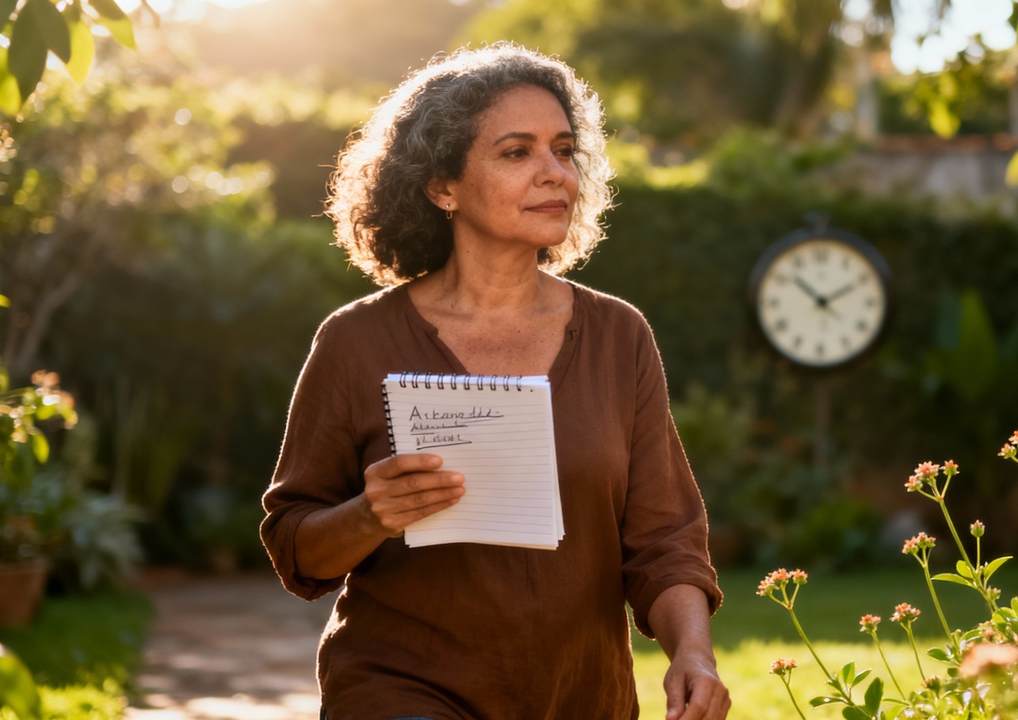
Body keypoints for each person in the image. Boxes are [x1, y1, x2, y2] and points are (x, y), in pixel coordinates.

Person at [260, 43, 729, 720]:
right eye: (517, 153)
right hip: (400, 690)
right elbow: (295, 547)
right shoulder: (356, 342)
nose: (555, 174)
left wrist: (694, 653)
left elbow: (665, 541)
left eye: (564, 151)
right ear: (441, 186)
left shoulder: (618, 336)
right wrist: (370, 516)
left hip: (579, 697)